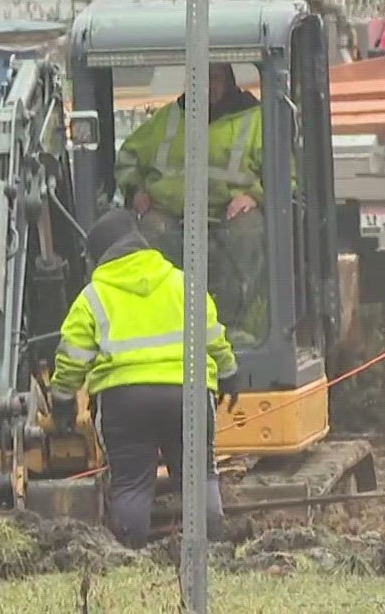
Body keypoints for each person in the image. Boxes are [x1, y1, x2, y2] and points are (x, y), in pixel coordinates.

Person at [48, 209, 239, 549]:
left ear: (100, 257)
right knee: (198, 477)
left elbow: (71, 357)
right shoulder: (183, 283)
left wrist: (62, 400)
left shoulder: (93, 297)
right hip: (189, 393)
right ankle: (214, 552)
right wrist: (228, 373)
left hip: (125, 401)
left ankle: (128, 555)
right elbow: (214, 336)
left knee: (131, 484)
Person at [113, 62, 266, 321]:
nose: (206, 87)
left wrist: (255, 196)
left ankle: (241, 321)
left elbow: (287, 170)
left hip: (230, 214)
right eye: (198, 79)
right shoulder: (168, 118)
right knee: (149, 232)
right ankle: (162, 319)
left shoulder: (256, 119)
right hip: (169, 214)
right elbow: (127, 157)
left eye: (214, 79)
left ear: (228, 82)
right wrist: (135, 191)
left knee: (248, 232)